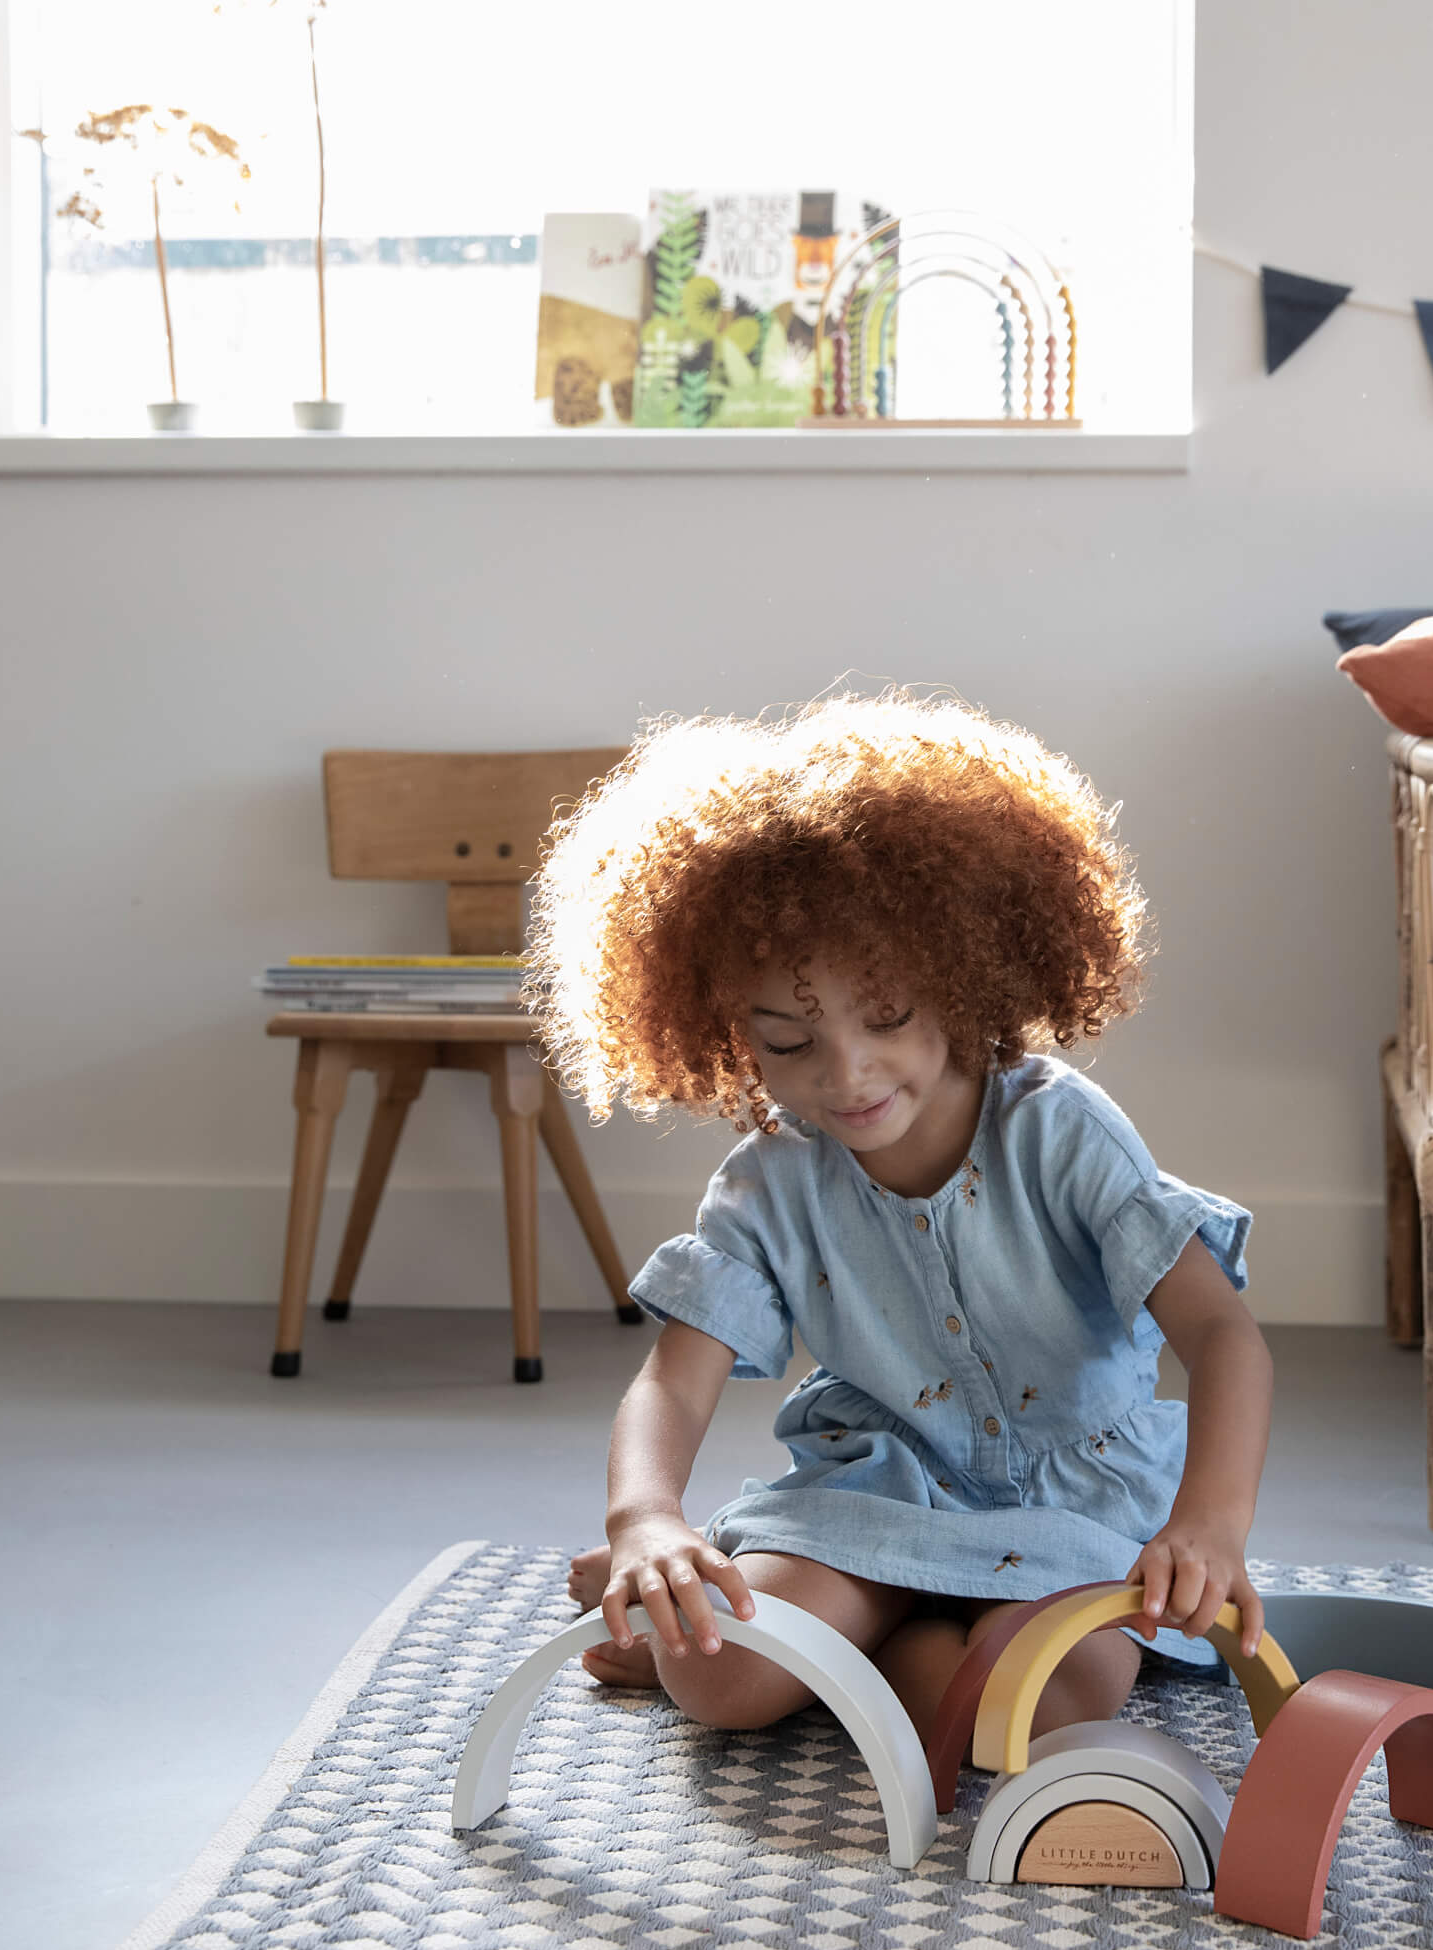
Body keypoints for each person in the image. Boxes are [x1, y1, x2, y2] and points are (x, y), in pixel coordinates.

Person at [525, 690, 1274, 1751]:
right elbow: (671, 1379)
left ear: (963, 972)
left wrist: (1211, 1522)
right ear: (725, 1031)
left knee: (1040, 1705)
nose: (846, 1071)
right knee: (721, 1680)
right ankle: (768, 1620)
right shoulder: (769, 1180)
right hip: (874, 1491)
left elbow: (1220, 1333)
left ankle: (896, 1643)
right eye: (788, 1041)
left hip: (1076, 1508)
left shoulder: (1058, 1131)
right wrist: (644, 1517)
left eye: (885, 1017)